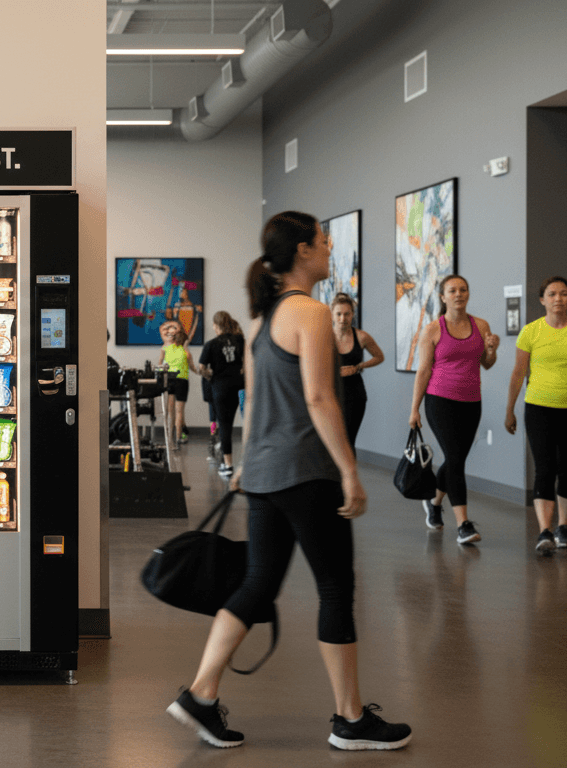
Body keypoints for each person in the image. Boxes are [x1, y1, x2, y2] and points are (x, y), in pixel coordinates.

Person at [166, 212, 411, 751]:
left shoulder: (262, 320)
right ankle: (350, 719)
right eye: (324, 242)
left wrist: (244, 469)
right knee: (334, 587)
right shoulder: (311, 313)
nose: (329, 250)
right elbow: (321, 399)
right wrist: (351, 470)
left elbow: (252, 407)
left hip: (266, 475)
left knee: (258, 585)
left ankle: (201, 695)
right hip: (307, 473)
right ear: (303, 251)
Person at [407, 275, 499, 543]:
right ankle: (464, 525)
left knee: (454, 460)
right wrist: (414, 409)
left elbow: (487, 364)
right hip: (440, 400)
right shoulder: (433, 330)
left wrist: (492, 350)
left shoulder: (481, 325)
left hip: (472, 401)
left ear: (468, 294)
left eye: (463, 289)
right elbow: (423, 370)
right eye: (452, 290)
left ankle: (434, 504)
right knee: (456, 460)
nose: (459, 294)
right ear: (443, 296)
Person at [505, 276, 567, 554]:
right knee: (544, 468)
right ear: (542, 300)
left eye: (564, 293)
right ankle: (544, 532)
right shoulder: (531, 331)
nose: (558, 299)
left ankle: (564, 527)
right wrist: (510, 410)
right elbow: (518, 374)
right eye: (552, 294)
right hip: (539, 408)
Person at [330, 294, 384, 452]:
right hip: (330, 394)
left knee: (347, 441)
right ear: (332, 314)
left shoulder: (361, 337)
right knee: (331, 442)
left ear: (352, 314)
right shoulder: (323, 337)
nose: (342, 318)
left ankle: (348, 476)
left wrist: (359, 366)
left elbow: (379, 357)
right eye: (338, 314)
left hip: (354, 396)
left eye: (347, 314)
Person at [199, 311, 245, 478]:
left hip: (221, 388)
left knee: (225, 427)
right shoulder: (239, 339)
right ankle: (249, 464)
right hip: (241, 387)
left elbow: (201, 368)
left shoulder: (211, 344)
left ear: (215, 325)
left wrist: (211, 376)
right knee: (246, 424)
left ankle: (228, 465)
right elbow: (248, 362)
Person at [159, 321, 193, 444]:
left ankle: (169, 437)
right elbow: (193, 368)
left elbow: (160, 365)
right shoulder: (186, 353)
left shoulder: (165, 348)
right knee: (179, 412)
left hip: (169, 380)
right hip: (182, 382)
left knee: (170, 412)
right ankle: (179, 437)